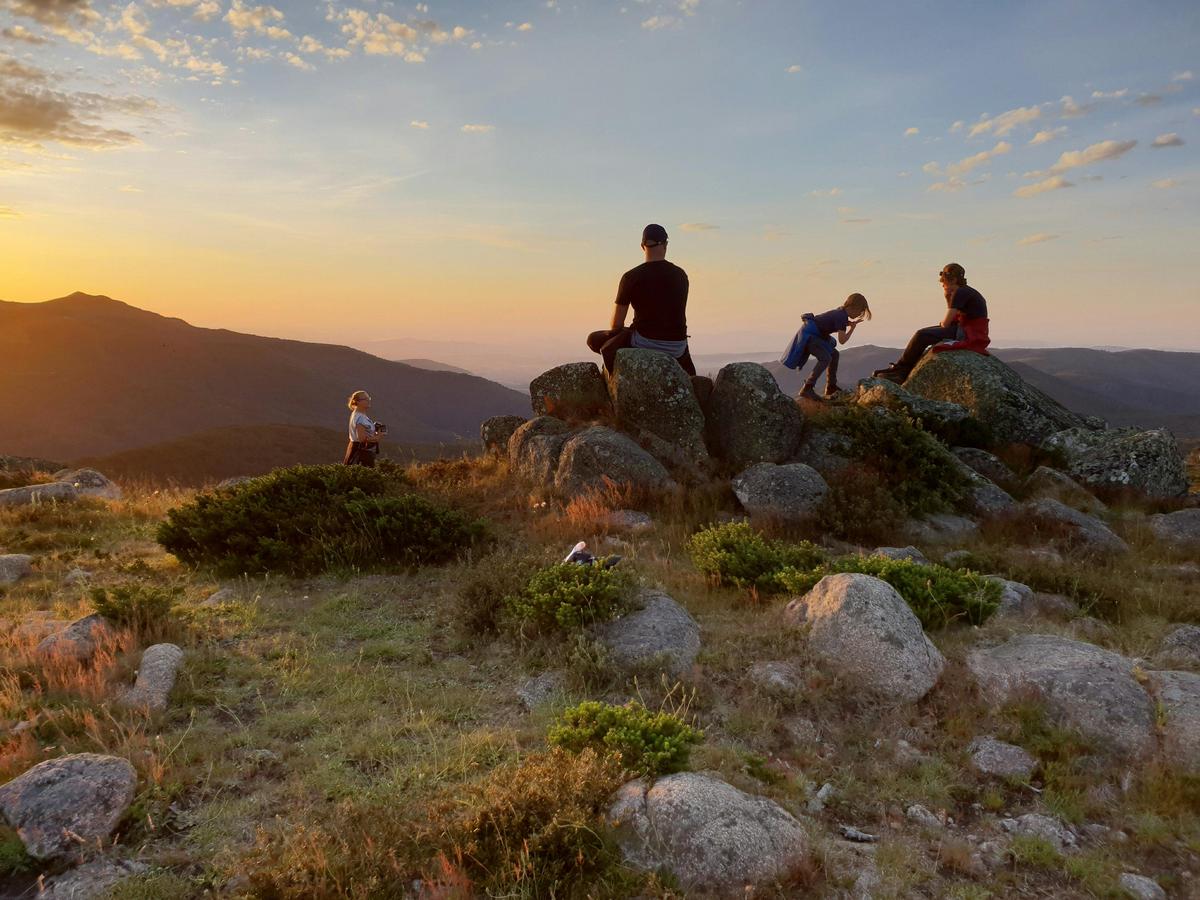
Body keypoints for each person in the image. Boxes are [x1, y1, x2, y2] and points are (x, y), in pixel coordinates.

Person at [587, 223, 696, 376]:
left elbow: (616, 325)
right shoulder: (681, 275)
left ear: (642, 246)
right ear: (665, 244)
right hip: (677, 346)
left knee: (593, 339)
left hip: (644, 342)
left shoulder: (631, 277)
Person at [873, 263, 990, 382]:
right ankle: (900, 368)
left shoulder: (960, 293)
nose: (943, 286)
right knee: (924, 333)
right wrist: (948, 298)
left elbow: (945, 324)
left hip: (967, 333)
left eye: (944, 283)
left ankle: (901, 372)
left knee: (921, 335)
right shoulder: (966, 291)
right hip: (968, 329)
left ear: (953, 280)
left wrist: (947, 298)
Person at [780, 293, 872, 401]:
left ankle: (831, 387)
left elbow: (831, 321)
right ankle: (807, 388)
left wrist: (849, 324)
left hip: (813, 336)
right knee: (825, 358)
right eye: (860, 311)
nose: (859, 314)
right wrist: (852, 328)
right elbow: (842, 341)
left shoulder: (841, 313)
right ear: (853, 306)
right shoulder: (841, 317)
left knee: (834, 354)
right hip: (811, 338)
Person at [344, 390, 382, 466]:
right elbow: (361, 439)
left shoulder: (358, 414)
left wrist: (373, 429)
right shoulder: (360, 418)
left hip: (355, 450)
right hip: (361, 453)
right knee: (363, 475)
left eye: (369, 398)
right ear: (357, 402)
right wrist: (377, 437)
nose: (368, 401)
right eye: (365, 399)